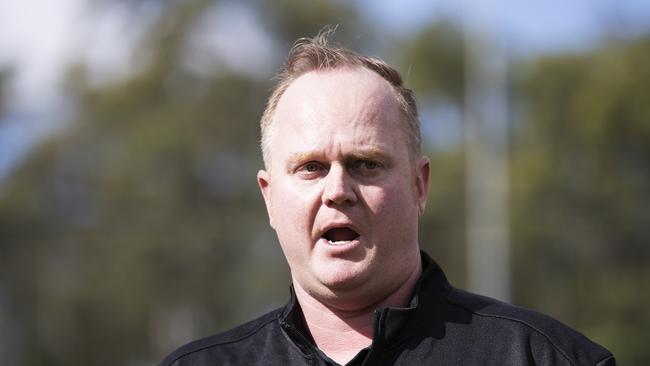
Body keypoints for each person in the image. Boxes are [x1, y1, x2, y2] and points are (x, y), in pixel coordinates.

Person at [161, 28, 615, 366]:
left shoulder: (545, 358)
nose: (337, 191)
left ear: (420, 185)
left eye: (366, 164)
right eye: (311, 168)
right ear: (269, 199)